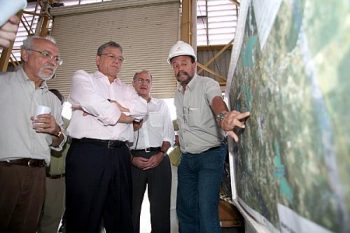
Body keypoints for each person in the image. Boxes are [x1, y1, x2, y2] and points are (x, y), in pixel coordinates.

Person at [167, 40, 250, 233]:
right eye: (175, 65)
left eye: (184, 63)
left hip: (210, 157)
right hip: (187, 159)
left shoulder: (207, 84)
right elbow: (186, 124)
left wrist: (224, 118)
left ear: (194, 65)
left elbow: (217, 102)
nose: (180, 69)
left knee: (206, 210)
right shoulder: (177, 95)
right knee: (185, 210)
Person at [66, 41, 148, 233]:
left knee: (121, 217)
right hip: (88, 153)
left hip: (120, 155)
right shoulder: (83, 78)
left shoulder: (127, 88)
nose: (117, 61)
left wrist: (110, 104)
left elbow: (142, 110)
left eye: (120, 58)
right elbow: (93, 102)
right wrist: (125, 115)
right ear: (98, 59)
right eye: (111, 56)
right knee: (83, 216)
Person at [0, 35, 66, 233]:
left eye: (56, 59)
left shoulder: (52, 100)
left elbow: (59, 143)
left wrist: (56, 131)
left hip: (38, 175)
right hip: (5, 172)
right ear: (25, 54)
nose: (52, 62)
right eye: (46, 54)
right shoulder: (3, 85)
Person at [130, 70, 175, 233]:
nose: (144, 83)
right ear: (133, 83)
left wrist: (161, 155)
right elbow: (119, 137)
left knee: (160, 209)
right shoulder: (126, 106)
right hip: (133, 160)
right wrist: (131, 159)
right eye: (140, 80)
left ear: (151, 84)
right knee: (130, 209)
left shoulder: (161, 105)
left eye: (147, 81)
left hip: (159, 158)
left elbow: (169, 134)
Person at [38, 89, 69, 233]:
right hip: (36, 176)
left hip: (58, 180)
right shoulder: (34, 120)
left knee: (51, 221)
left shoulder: (69, 126)